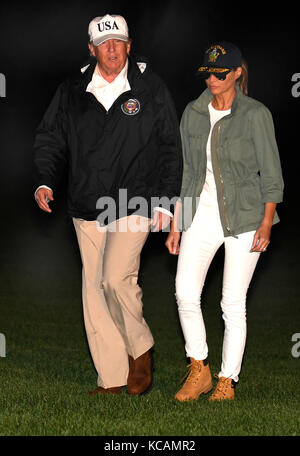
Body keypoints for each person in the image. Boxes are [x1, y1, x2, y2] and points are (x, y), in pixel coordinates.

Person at [34, 14, 182, 396]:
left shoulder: (150, 88)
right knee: (94, 291)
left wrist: (166, 201)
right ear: (91, 48)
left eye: (118, 41)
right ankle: (112, 378)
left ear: (129, 45)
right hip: (86, 203)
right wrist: (45, 180)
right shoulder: (72, 90)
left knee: (116, 278)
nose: (111, 48)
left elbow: (170, 146)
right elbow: (51, 138)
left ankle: (141, 349)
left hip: (135, 200)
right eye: (104, 43)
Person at [165, 41, 284, 401]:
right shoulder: (193, 112)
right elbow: (188, 174)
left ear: (236, 73)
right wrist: (176, 223)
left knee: (231, 301)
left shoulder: (255, 114)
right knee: (185, 292)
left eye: (221, 73)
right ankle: (198, 368)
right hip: (201, 214)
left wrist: (266, 223)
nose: (213, 79)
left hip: (247, 218)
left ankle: (226, 381)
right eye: (208, 73)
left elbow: (273, 175)